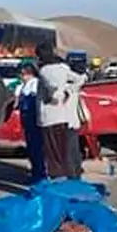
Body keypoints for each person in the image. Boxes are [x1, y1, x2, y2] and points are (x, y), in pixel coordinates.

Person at [36, 43, 73, 179]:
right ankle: (63, 175)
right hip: (62, 115)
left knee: (52, 150)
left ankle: (56, 178)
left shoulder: (44, 70)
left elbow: (51, 87)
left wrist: (55, 96)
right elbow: (76, 80)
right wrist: (67, 93)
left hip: (48, 116)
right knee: (62, 149)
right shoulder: (64, 68)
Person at [17, 62, 46, 183]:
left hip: (33, 120)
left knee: (37, 149)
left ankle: (40, 175)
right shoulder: (24, 85)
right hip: (27, 121)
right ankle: (36, 172)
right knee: (32, 149)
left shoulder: (34, 84)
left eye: (21, 74)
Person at [65, 62, 88, 179]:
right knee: (75, 149)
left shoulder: (69, 88)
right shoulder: (78, 86)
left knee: (69, 151)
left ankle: (72, 175)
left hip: (67, 122)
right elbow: (83, 79)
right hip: (75, 122)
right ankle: (77, 172)